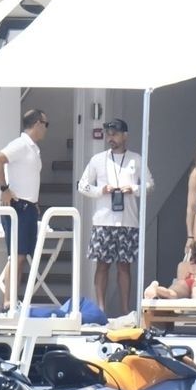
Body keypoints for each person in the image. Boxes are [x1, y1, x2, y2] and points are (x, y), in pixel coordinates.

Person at [76, 117, 152, 317]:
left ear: (125, 136)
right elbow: (82, 185)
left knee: (124, 266)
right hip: (103, 220)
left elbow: (149, 184)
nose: (111, 138)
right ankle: (101, 309)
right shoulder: (97, 159)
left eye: (115, 134)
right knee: (102, 265)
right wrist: (101, 190)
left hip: (128, 220)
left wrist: (133, 188)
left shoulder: (136, 159)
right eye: (108, 134)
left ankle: (125, 309)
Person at [0, 108, 47, 303]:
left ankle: (12, 301)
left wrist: (33, 202)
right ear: (37, 123)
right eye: (45, 124)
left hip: (28, 207)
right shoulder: (21, 144)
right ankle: (8, 303)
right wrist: (4, 188)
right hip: (17, 207)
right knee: (16, 256)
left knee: (22, 257)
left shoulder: (33, 148)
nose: (46, 129)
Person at [144, 237, 196, 301]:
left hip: (186, 282)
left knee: (172, 293)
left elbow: (180, 279)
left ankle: (156, 289)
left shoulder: (182, 265)